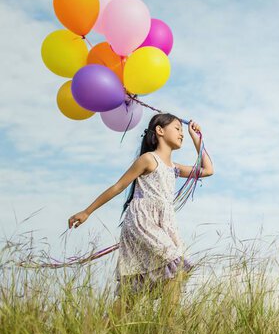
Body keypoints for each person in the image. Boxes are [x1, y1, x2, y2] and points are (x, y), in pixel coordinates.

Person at [67, 113, 213, 317]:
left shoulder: (175, 169)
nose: (181, 133)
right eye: (177, 128)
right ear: (160, 131)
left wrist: (196, 137)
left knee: (136, 287)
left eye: (182, 130)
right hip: (142, 221)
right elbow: (118, 186)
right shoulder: (148, 159)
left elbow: (207, 170)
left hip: (164, 224)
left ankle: (100, 332)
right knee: (176, 264)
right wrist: (87, 211)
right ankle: (167, 328)